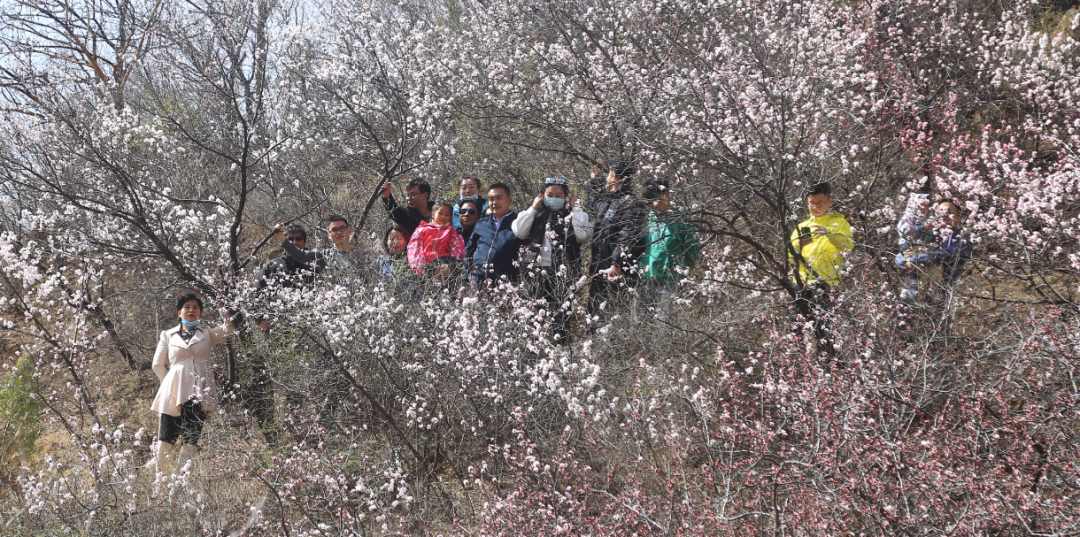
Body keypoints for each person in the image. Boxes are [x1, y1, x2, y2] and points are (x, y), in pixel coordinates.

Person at [151, 294, 237, 477]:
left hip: (200, 390)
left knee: (191, 437)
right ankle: (161, 482)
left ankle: (180, 484)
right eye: (187, 307)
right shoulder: (167, 335)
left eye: (196, 307)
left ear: (200, 313)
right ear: (179, 312)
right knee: (166, 436)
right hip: (174, 391)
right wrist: (169, 384)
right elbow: (157, 364)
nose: (191, 310)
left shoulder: (207, 333)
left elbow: (229, 328)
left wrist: (223, 309)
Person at [512, 177, 593, 341]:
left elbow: (583, 235)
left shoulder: (571, 214)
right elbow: (519, 231)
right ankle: (533, 349)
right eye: (550, 194)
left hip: (563, 272)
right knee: (533, 314)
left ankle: (561, 346)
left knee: (562, 315)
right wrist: (533, 207)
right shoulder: (535, 213)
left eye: (559, 194)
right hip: (534, 272)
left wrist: (577, 209)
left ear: (565, 197)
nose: (554, 197)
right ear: (542, 195)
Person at [787, 182, 854, 355]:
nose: (815, 207)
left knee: (825, 333)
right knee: (795, 330)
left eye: (820, 203)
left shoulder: (839, 223)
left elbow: (848, 245)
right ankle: (797, 370)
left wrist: (829, 232)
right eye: (811, 203)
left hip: (826, 285)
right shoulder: (802, 227)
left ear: (829, 201)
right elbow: (789, 255)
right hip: (800, 284)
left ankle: (828, 371)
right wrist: (798, 245)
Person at [634, 179, 701, 327]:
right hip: (646, 278)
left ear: (667, 194)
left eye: (654, 200)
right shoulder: (648, 217)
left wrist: (684, 270)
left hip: (671, 280)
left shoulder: (681, 217)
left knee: (665, 326)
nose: (652, 205)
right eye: (648, 201)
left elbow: (693, 249)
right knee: (640, 326)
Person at [586, 160, 645, 328]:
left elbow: (627, 235)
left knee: (615, 316)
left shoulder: (631, 203)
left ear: (615, 177)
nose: (607, 178)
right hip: (600, 265)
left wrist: (616, 263)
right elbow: (593, 202)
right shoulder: (609, 201)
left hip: (618, 270)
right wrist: (594, 180)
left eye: (609, 174)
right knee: (594, 313)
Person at [894, 199, 971, 307]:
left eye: (950, 211)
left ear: (958, 219)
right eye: (941, 210)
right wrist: (906, 260)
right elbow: (902, 252)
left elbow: (949, 254)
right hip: (913, 291)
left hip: (940, 296)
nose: (945, 213)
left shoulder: (961, 238)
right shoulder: (929, 235)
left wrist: (917, 260)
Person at [254, 225, 319, 331]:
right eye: (290, 239)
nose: (294, 242)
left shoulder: (315, 264)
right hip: (278, 326)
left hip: (311, 325)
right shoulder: (273, 265)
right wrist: (261, 319)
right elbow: (256, 292)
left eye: (298, 238)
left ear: (304, 241)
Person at [275, 215, 371, 284]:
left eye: (342, 228)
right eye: (334, 230)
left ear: (349, 231)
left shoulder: (364, 254)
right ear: (329, 236)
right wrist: (280, 235)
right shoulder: (325, 256)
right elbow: (301, 255)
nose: (338, 232)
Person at [467, 182, 522, 286]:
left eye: (499, 198)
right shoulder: (481, 223)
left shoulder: (518, 224)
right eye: (491, 199)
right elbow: (469, 251)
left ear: (509, 200)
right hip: (477, 280)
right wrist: (465, 278)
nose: (494, 202)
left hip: (506, 283)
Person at [407, 201, 466, 283]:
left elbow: (458, 247)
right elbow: (414, 247)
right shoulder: (422, 229)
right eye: (440, 213)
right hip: (426, 263)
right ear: (433, 214)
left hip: (444, 261)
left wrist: (454, 264)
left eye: (447, 215)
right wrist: (418, 266)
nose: (443, 217)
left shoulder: (451, 231)